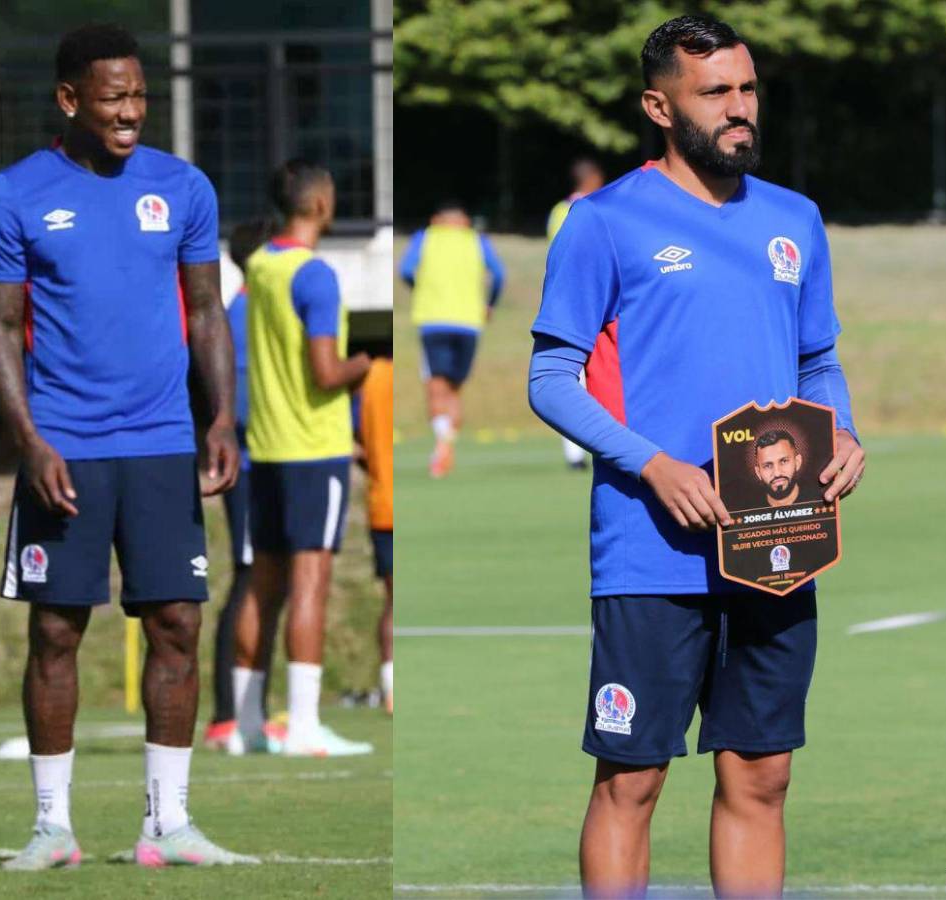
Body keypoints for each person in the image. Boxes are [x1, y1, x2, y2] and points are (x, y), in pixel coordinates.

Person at [527, 15, 865, 897]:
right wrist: (654, 466)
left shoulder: (796, 218)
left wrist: (845, 433)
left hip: (777, 544)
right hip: (650, 551)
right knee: (632, 779)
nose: (740, 108)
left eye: (748, 89)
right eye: (715, 92)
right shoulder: (602, 222)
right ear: (658, 106)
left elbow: (817, 359)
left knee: (762, 774)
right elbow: (551, 378)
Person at [0, 23, 252, 870]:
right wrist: (28, 441)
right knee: (57, 631)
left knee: (176, 621)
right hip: (65, 450)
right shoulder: (14, 196)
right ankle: (51, 827)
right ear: (70, 101)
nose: (131, 111)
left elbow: (206, 311)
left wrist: (220, 418)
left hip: (164, 444)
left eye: (138, 95)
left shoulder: (184, 187)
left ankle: (167, 825)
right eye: (113, 97)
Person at [231, 159, 373, 757]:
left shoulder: (260, 264)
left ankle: (245, 725)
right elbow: (323, 372)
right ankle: (306, 726)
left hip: (264, 447)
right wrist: (361, 366)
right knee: (311, 582)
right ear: (318, 204)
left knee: (262, 586)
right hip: (313, 448)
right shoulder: (315, 275)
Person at [202, 218, 282, 754]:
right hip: (254, 469)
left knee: (267, 583)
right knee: (251, 578)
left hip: (275, 468)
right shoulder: (244, 313)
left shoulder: (257, 309)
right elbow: (244, 406)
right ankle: (228, 714)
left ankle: (251, 706)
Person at [399, 201, 503, 478]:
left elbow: (407, 270)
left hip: (433, 321)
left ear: (436, 219)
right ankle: (446, 446)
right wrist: (489, 303)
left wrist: (421, 287)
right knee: (455, 389)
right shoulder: (477, 240)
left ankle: (442, 445)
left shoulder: (426, 237)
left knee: (436, 386)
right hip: (469, 322)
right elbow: (499, 274)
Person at [546, 157, 605, 471]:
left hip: (569, 299)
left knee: (571, 378)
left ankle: (574, 453)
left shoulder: (558, 211)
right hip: (593, 301)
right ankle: (585, 449)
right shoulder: (602, 207)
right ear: (592, 177)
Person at [357, 354, 393, 713]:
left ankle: (390, 686)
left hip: (381, 503)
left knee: (391, 600)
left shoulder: (372, 378)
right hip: (394, 505)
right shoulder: (387, 377)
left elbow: (357, 442)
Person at [753, 429, 813, 508]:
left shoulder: (820, 500)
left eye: (784, 461)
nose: (777, 473)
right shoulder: (743, 511)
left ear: (797, 462)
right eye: (768, 466)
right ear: (758, 472)